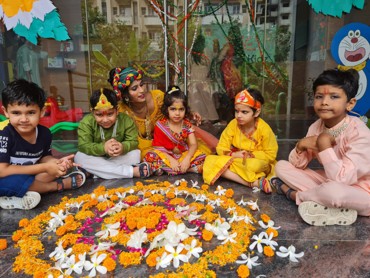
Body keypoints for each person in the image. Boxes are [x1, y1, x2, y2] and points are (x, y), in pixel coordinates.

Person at [273, 69, 370, 226]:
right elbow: (298, 165)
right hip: (327, 182)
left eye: (334, 97)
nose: (324, 102)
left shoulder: (360, 133)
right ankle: (328, 204)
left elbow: (342, 179)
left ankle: (295, 196)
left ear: (350, 104)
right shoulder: (316, 127)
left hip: (361, 191)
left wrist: (324, 146)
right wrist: (300, 145)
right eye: (319, 97)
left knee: (334, 192)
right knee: (281, 166)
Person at [0, 79, 86, 210]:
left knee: (53, 170)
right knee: (12, 182)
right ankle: (57, 186)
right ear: (5, 112)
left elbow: (44, 156)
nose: (24, 119)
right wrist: (45, 167)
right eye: (16, 113)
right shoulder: (4, 134)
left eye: (31, 112)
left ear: (42, 111)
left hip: (29, 176)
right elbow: (3, 171)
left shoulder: (44, 133)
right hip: (5, 177)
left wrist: (56, 163)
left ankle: (18, 197)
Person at [107, 66, 218, 159]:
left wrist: (190, 113)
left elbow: (174, 106)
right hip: (148, 148)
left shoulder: (157, 97)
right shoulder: (122, 111)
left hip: (171, 141)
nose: (142, 90)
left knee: (192, 137)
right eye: (135, 88)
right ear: (125, 95)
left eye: (141, 85)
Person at [203, 88, 278, 193]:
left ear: (256, 112)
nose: (239, 115)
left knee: (251, 165)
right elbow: (221, 147)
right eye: (236, 111)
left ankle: (246, 178)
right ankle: (254, 183)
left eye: (244, 112)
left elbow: (271, 155)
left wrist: (250, 155)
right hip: (236, 159)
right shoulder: (233, 124)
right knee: (210, 160)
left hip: (256, 162)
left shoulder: (264, 129)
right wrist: (234, 155)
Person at [74, 88, 151, 179]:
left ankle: (94, 173)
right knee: (79, 157)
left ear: (117, 110)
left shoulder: (125, 120)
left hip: (117, 157)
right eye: (99, 115)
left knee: (135, 153)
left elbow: (133, 142)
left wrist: (122, 147)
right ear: (92, 112)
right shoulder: (86, 122)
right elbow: (83, 145)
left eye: (110, 114)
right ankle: (131, 171)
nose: (105, 120)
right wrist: (103, 148)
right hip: (96, 157)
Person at [143, 86, 206, 175]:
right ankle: (185, 169)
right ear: (166, 109)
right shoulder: (160, 125)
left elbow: (193, 144)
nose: (177, 113)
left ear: (185, 110)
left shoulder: (187, 125)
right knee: (151, 156)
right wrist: (171, 159)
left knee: (202, 157)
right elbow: (157, 148)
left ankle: (173, 170)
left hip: (183, 155)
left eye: (181, 109)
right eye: (173, 109)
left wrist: (187, 159)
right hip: (166, 156)